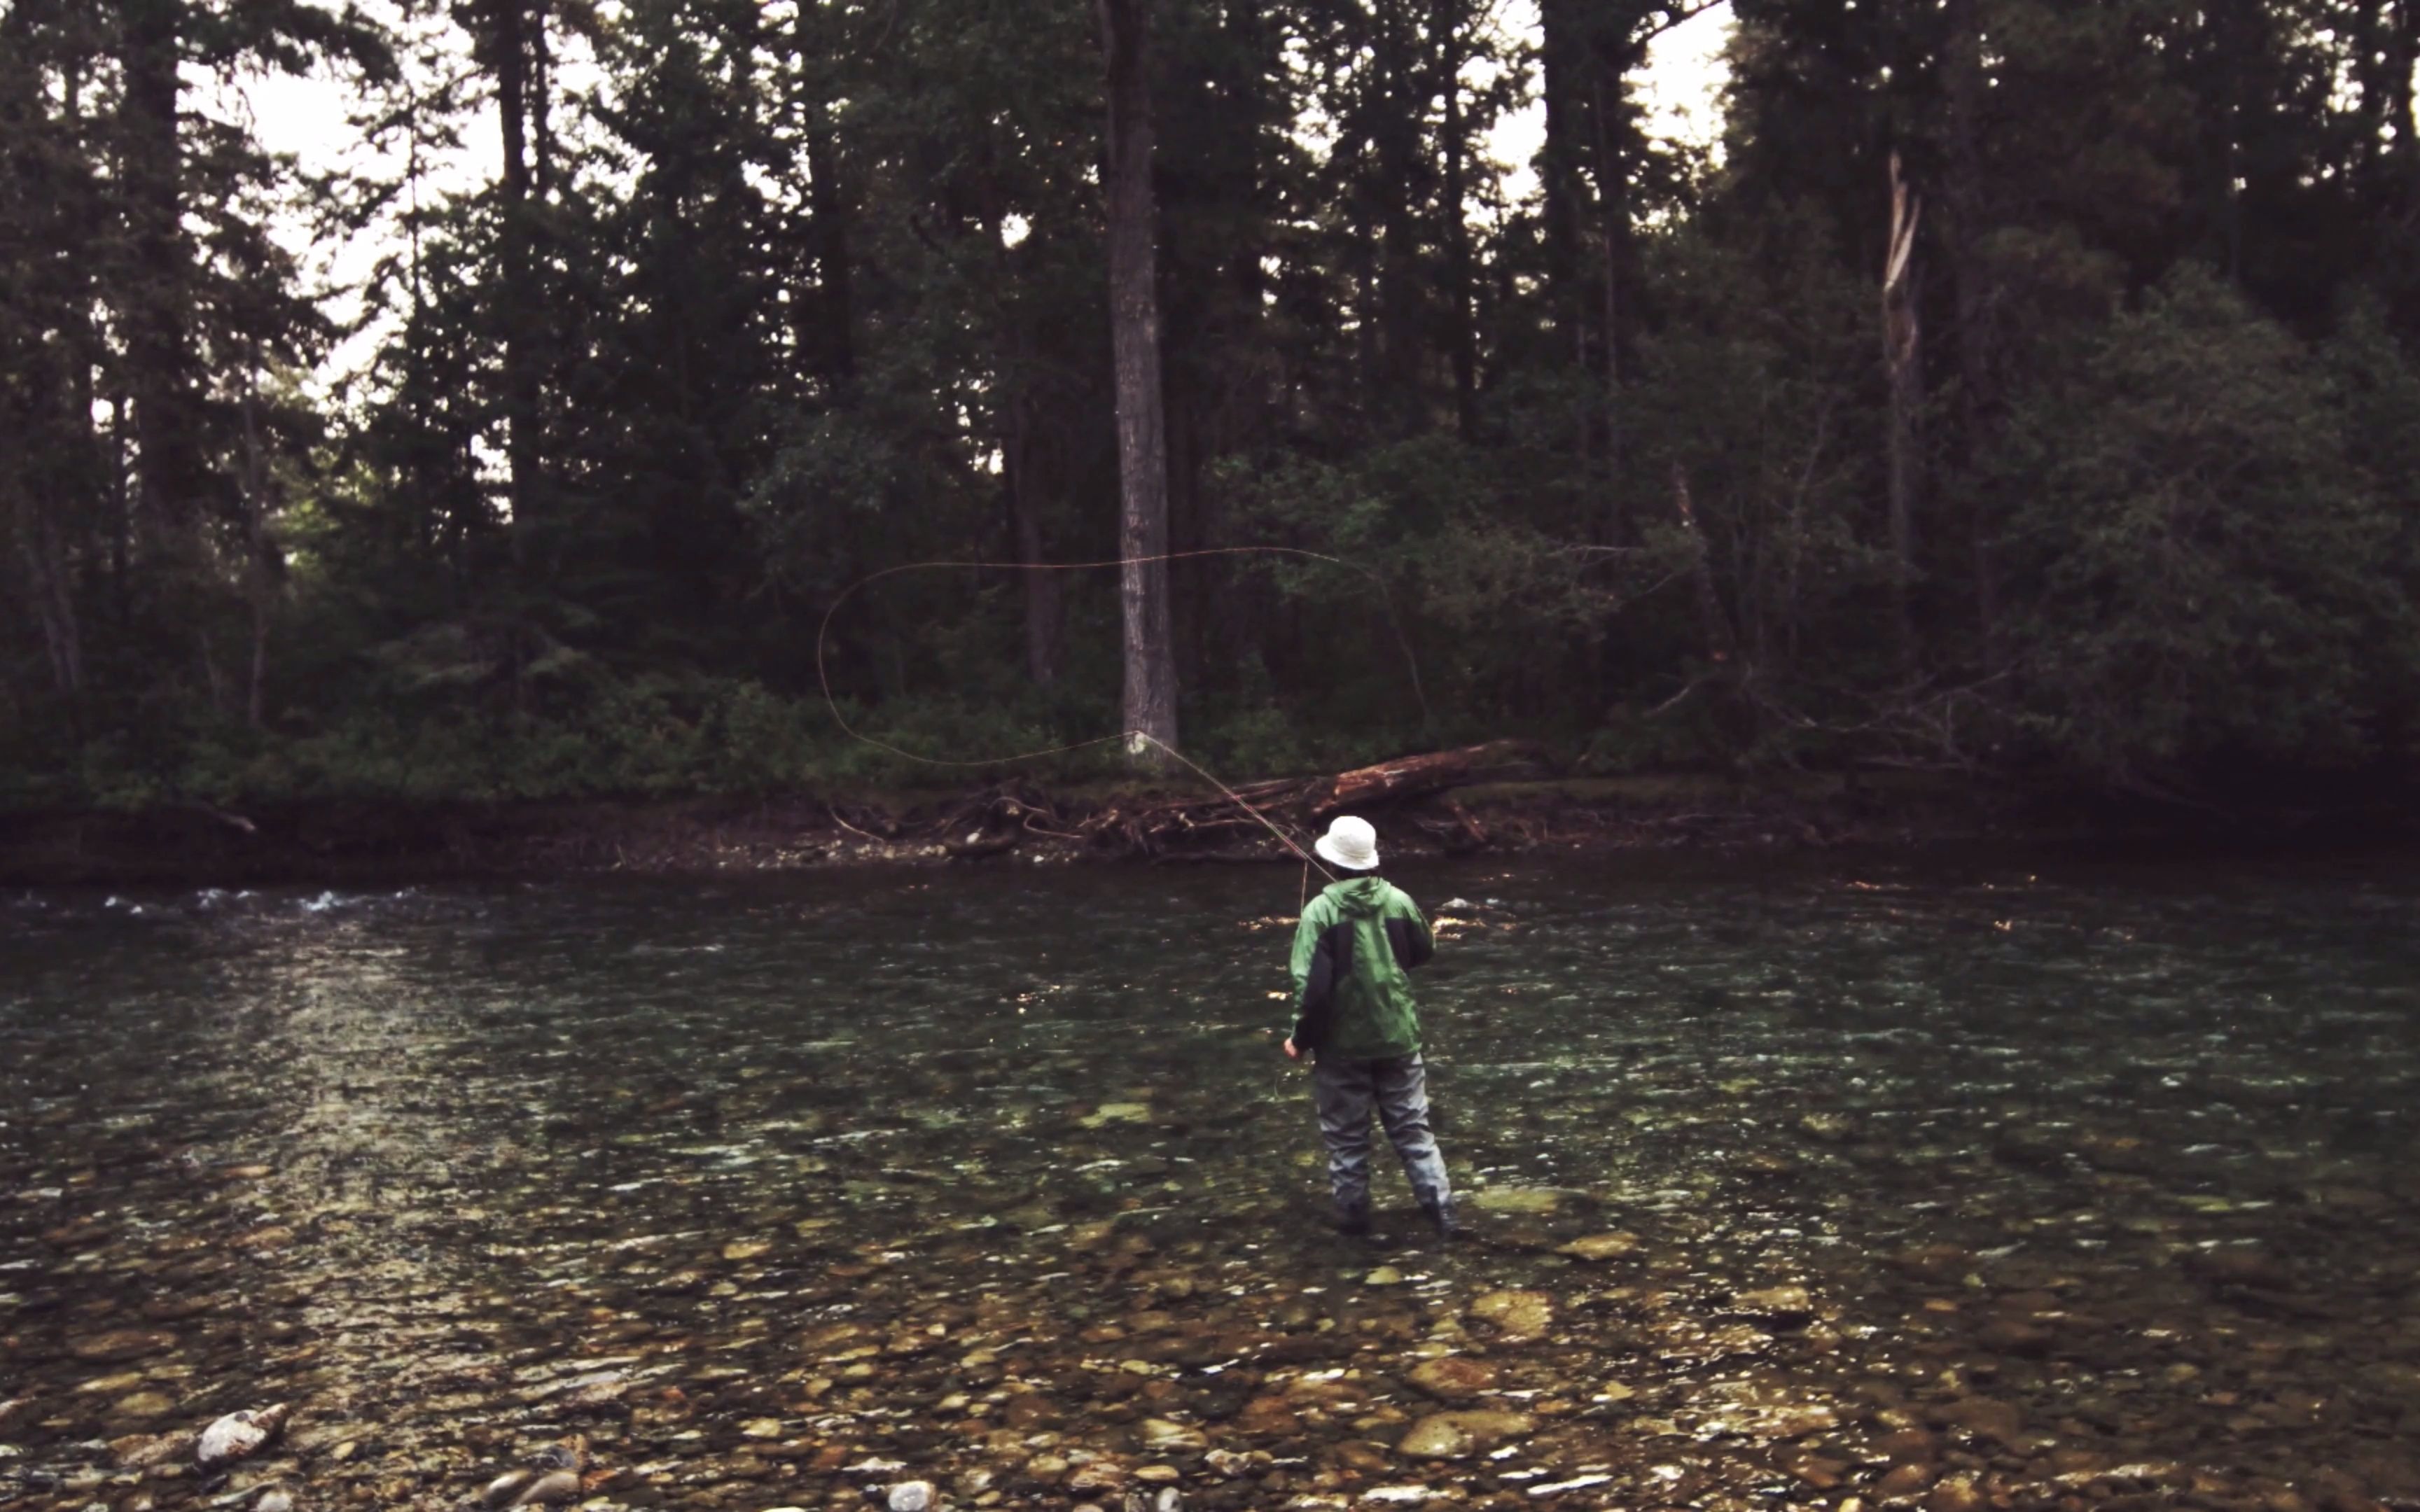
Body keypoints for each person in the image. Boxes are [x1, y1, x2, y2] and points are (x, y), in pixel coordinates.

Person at [1282, 815, 1458, 1240]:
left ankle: (1356, 1230)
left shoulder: (1320, 912)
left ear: (1333, 860)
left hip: (1341, 1049)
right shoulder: (1399, 900)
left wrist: (1299, 1039)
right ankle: (1445, 1220)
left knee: (1347, 1140)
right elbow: (1424, 950)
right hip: (1398, 1038)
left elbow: (1313, 990)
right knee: (1414, 1132)